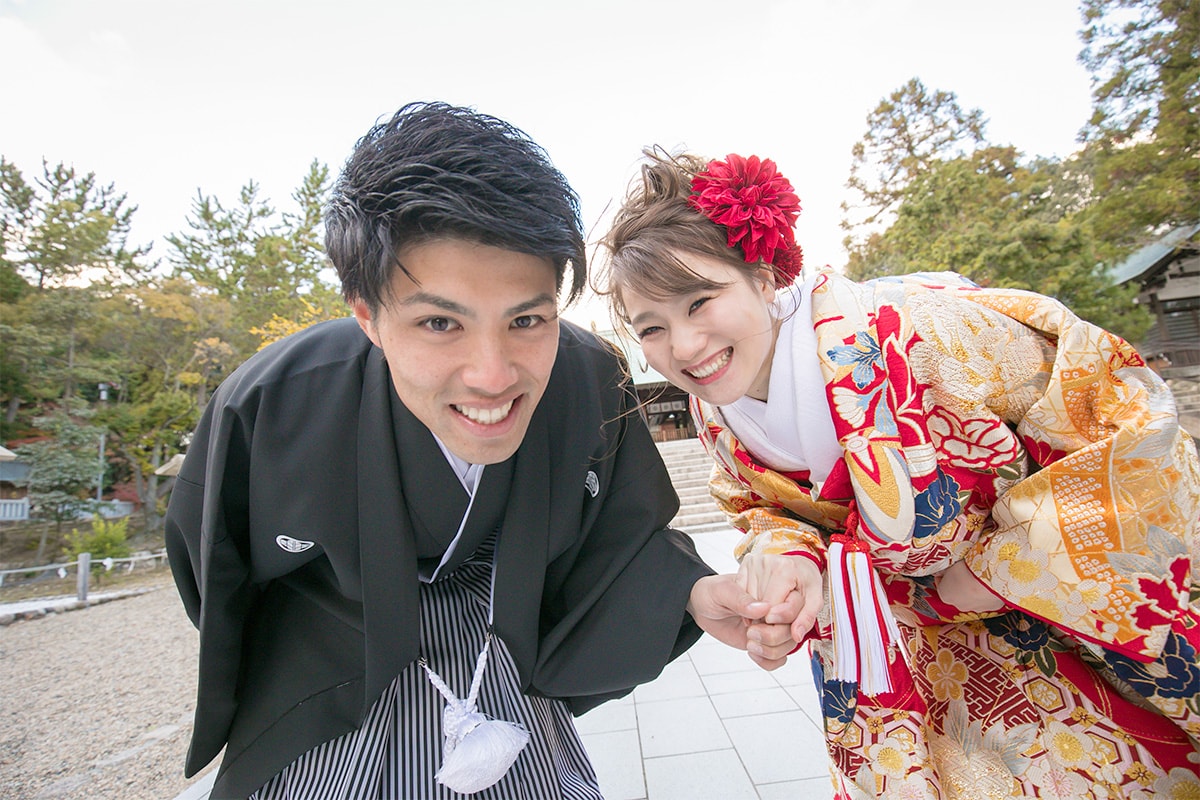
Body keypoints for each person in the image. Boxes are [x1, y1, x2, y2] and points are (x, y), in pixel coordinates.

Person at [164, 105, 803, 800]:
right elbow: (214, 572)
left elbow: (622, 538)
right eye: (441, 322)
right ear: (366, 313)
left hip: (504, 679)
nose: (493, 375)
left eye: (527, 319)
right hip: (331, 689)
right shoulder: (276, 404)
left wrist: (692, 592)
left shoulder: (588, 379)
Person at [598, 149, 1200, 796]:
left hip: (1066, 606)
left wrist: (999, 570)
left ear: (765, 276)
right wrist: (788, 558)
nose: (683, 348)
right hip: (920, 646)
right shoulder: (715, 410)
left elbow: (1120, 412)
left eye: (700, 302)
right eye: (651, 328)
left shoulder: (918, 329)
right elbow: (759, 506)